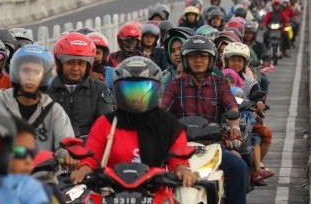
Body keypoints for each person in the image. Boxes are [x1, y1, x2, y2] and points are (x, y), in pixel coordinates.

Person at [70, 57, 197, 189]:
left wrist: (183, 170)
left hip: (156, 193)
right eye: (129, 90)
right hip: (111, 193)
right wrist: (84, 169)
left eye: (143, 90)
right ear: (117, 92)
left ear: (157, 91)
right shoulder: (105, 123)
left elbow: (178, 158)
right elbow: (92, 157)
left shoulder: (169, 124)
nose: (137, 97)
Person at [161, 35, 249, 204]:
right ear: (186, 60)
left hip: (211, 147)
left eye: (203, 56)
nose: (198, 60)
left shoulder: (220, 83)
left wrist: (235, 128)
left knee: (239, 168)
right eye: (193, 56)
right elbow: (162, 113)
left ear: (211, 60)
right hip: (179, 148)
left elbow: (232, 107)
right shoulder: (174, 86)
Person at [0, 44, 75, 164]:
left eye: (36, 72)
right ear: (16, 72)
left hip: (44, 177)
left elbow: (66, 143)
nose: (30, 77)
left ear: (44, 75)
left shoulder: (54, 111)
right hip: (6, 175)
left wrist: (67, 154)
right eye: (25, 70)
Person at [47, 32, 114, 137]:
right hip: (55, 148)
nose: (75, 68)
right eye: (70, 62)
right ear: (60, 63)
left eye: (81, 63)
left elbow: (106, 123)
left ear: (88, 66)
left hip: (90, 148)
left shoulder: (99, 89)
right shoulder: (47, 90)